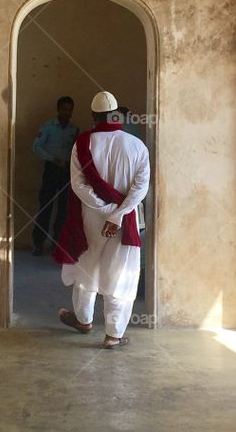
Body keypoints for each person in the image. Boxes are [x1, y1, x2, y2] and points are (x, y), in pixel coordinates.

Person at [54, 90, 150, 348]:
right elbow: (140, 189)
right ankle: (113, 334)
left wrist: (105, 210)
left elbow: (78, 185)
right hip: (124, 220)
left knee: (88, 266)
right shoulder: (136, 145)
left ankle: (84, 320)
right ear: (116, 114)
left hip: (91, 219)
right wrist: (118, 214)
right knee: (120, 272)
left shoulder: (82, 143)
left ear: (94, 116)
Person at [31, 96, 78, 255]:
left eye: (70, 109)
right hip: (51, 169)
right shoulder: (48, 127)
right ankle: (38, 243)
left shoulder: (73, 129)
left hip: (66, 171)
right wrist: (52, 159)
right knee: (45, 207)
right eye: (64, 109)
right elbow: (36, 147)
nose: (67, 112)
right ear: (58, 109)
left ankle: (57, 243)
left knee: (63, 210)